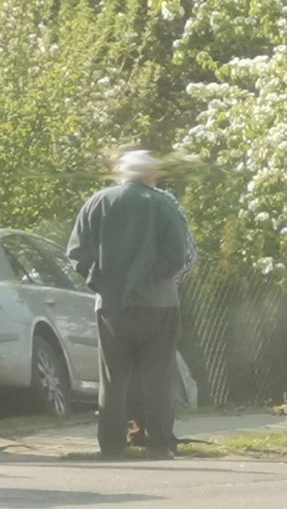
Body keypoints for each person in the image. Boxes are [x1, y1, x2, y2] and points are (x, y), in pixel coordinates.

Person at [67, 150, 195, 460]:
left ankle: (111, 446)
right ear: (149, 175)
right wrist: (154, 280)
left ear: (123, 173)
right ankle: (160, 445)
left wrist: (101, 281)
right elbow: (178, 255)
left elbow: (76, 253)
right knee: (158, 377)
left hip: (110, 305)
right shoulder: (162, 203)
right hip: (159, 304)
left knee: (113, 380)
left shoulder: (97, 202)